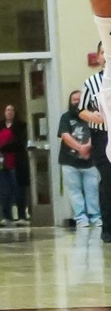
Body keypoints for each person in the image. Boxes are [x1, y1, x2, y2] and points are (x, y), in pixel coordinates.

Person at [57, 86, 99, 228]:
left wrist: (88, 147)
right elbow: (65, 135)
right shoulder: (66, 117)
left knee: (92, 191)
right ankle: (81, 218)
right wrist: (80, 148)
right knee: (74, 191)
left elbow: (98, 133)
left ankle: (95, 217)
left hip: (91, 162)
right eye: (74, 100)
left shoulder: (93, 115)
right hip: (69, 162)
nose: (76, 102)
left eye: (79, 100)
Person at [81, 48, 111, 241]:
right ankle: (108, 229)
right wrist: (92, 116)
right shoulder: (91, 83)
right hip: (102, 135)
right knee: (108, 181)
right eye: (103, 51)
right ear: (100, 56)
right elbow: (80, 110)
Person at [0, 104, 30, 224]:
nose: (9, 112)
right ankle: (6, 217)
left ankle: (22, 216)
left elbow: (18, 143)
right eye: (7, 110)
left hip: (16, 163)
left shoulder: (21, 126)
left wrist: (2, 150)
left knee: (19, 190)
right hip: (2, 164)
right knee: (4, 191)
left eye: (12, 110)